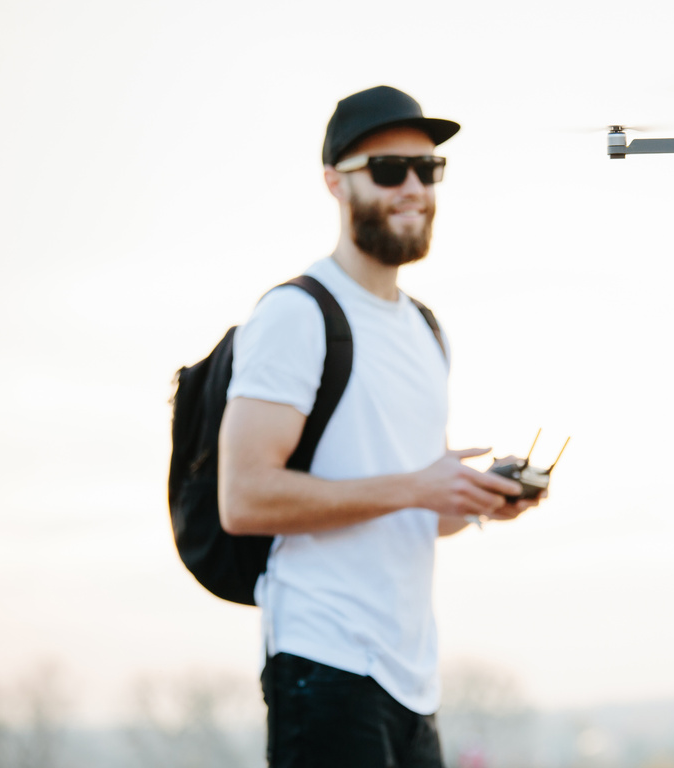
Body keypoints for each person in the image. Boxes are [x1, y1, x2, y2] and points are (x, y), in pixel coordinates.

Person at [217, 85, 540, 768]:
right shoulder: (296, 315)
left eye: (429, 170)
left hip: (412, 676)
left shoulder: (428, 330)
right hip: (324, 664)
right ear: (335, 182)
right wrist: (418, 487)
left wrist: (473, 500)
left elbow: (414, 505)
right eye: (389, 170)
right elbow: (243, 499)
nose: (414, 187)